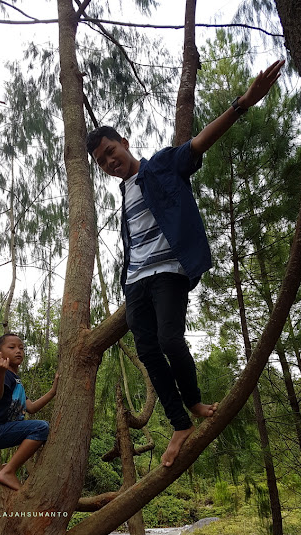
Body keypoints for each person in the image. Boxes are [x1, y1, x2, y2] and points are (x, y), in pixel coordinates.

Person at [86, 60, 284, 467]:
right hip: (136, 280)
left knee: (170, 341)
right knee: (148, 350)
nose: (110, 162)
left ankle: (190, 403)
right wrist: (127, 279)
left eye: (111, 152)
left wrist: (242, 103)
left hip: (169, 273)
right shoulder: (124, 194)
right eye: (103, 163)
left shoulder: (161, 164)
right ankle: (180, 421)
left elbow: (198, 143)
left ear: (124, 141)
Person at [0, 332, 59, 490]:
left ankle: (10, 466)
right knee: (41, 427)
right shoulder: (3, 375)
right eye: (12, 347)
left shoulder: (16, 380)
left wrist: (53, 392)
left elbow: (31, 408)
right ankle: (8, 471)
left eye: (21, 347)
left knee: (40, 427)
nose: (18, 351)